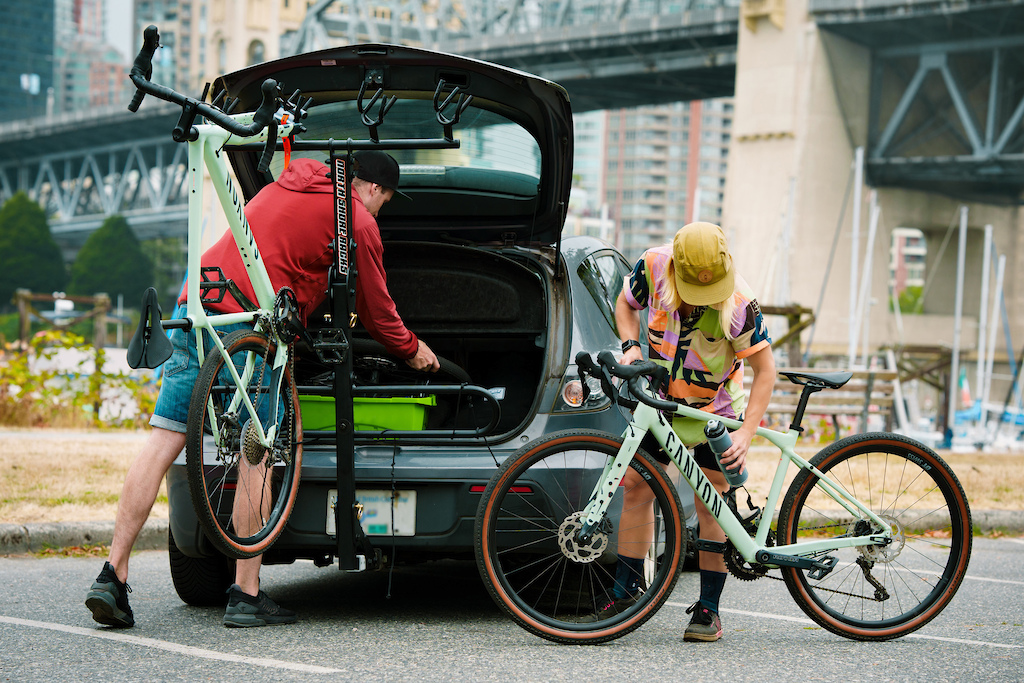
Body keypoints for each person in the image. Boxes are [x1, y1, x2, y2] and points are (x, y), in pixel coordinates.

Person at [85, 151, 439, 629]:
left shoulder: (288, 184)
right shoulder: (358, 221)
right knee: (258, 450)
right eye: (386, 201)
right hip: (253, 324)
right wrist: (413, 349)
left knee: (164, 439)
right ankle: (246, 595)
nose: (381, 211)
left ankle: (112, 574)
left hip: (200, 303)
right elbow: (375, 310)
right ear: (373, 189)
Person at [603, 221, 775, 641]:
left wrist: (746, 434)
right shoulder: (653, 265)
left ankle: (709, 611)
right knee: (636, 487)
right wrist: (631, 347)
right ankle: (625, 592)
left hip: (711, 411)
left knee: (710, 506)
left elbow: (765, 371)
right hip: (659, 407)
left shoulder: (741, 304)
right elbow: (625, 306)